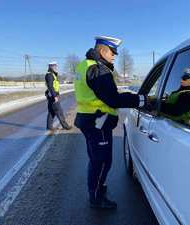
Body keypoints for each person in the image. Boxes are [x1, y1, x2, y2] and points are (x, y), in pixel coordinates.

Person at [74, 36, 146, 209]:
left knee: (95, 158)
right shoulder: (98, 70)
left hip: (87, 118)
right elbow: (113, 99)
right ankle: (96, 197)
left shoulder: (84, 65)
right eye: (112, 52)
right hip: (98, 121)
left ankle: (97, 187)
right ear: (102, 51)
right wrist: (141, 100)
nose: (114, 56)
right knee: (103, 161)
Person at [45, 61, 71, 130]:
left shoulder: (52, 74)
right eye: (54, 66)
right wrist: (55, 96)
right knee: (59, 111)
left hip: (51, 96)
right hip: (53, 96)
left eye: (56, 66)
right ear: (50, 66)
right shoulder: (50, 75)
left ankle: (49, 126)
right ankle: (65, 126)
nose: (56, 67)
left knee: (51, 112)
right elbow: (50, 86)